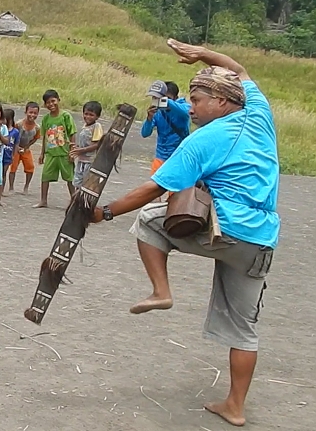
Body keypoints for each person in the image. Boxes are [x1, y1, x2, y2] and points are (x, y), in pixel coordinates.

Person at [92, 39, 280, 427]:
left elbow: (155, 187)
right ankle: (236, 407)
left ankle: (161, 290)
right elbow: (239, 69)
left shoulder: (204, 139)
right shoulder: (259, 114)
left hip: (225, 230)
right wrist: (202, 54)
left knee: (148, 219)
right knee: (244, 329)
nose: (190, 107)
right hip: (261, 239)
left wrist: (104, 211)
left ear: (223, 102)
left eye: (197, 99)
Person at [34, 90, 76, 208]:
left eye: (53, 101)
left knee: (70, 178)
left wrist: (72, 151)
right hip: (51, 153)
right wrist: (42, 153)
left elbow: (72, 133)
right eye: (48, 102)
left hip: (64, 153)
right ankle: (43, 200)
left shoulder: (66, 116)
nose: (51, 104)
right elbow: (44, 137)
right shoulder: (46, 119)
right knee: (45, 176)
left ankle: (74, 201)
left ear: (58, 100)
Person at [141, 80, 191, 176]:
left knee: (175, 190)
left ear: (175, 98)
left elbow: (187, 112)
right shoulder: (158, 112)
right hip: (160, 157)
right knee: (154, 188)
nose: (160, 101)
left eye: (165, 98)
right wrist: (149, 118)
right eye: (157, 99)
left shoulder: (181, 107)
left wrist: (167, 102)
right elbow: (144, 133)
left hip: (179, 157)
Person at [69, 101, 104, 190]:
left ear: (97, 116)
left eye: (91, 115)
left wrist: (82, 150)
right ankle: (76, 201)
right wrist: (76, 147)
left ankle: (84, 202)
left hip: (90, 161)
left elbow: (98, 144)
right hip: (81, 160)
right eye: (86, 114)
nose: (87, 117)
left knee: (87, 184)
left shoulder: (96, 126)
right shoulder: (85, 126)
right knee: (77, 182)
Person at [8, 102, 40, 195]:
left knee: (30, 168)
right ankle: (11, 187)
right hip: (16, 149)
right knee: (13, 167)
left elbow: (35, 139)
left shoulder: (37, 128)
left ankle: (26, 187)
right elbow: (13, 136)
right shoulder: (18, 124)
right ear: (25, 112)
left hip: (26, 149)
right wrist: (16, 148)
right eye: (30, 112)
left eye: (35, 113)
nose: (32, 115)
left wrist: (26, 147)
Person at [2, 109, 19, 197]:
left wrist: (14, 155)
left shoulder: (15, 132)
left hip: (8, 155)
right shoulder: (1, 129)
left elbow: (16, 144)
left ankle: (1, 190)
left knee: (4, 172)